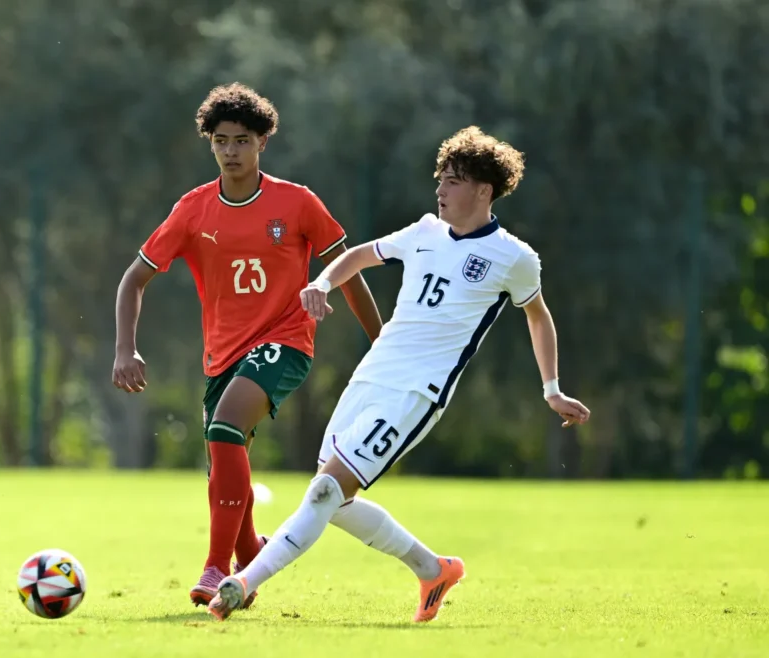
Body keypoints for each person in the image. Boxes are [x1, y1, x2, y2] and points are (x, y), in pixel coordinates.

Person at [207, 126, 592, 622]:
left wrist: (552, 390)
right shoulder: (425, 231)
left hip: (417, 393)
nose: (440, 190)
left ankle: (244, 581)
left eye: (452, 181)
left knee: (324, 492)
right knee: (336, 502)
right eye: (440, 179)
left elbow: (538, 315)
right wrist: (321, 283)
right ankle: (433, 569)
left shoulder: (514, 257)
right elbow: (357, 255)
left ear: (483, 190)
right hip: (370, 377)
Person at [111, 83, 383, 608]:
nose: (230, 151)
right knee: (223, 460)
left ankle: (214, 570)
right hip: (222, 356)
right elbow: (133, 279)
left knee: (226, 425)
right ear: (210, 144)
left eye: (241, 140)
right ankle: (250, 560)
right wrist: (125, 349)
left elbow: (348, 273)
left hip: (286, 340)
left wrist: (381, 342)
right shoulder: (193, 210)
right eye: (220, 141)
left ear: (262, 143)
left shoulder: (297, 203)